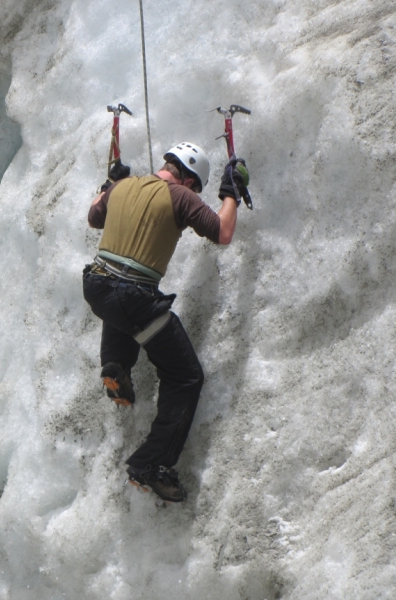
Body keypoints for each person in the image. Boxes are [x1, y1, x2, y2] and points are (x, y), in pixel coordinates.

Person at [82, 142, 249, 503]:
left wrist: (108, 186)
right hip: (134, 299)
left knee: (120, 302)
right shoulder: (181, 196)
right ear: (189, 179)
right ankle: (152, 464)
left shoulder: (122, 187)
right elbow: (222, 232)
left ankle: (116, 363)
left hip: (95, 286)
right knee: (185, 376)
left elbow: (94, 215)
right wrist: (230, 191)